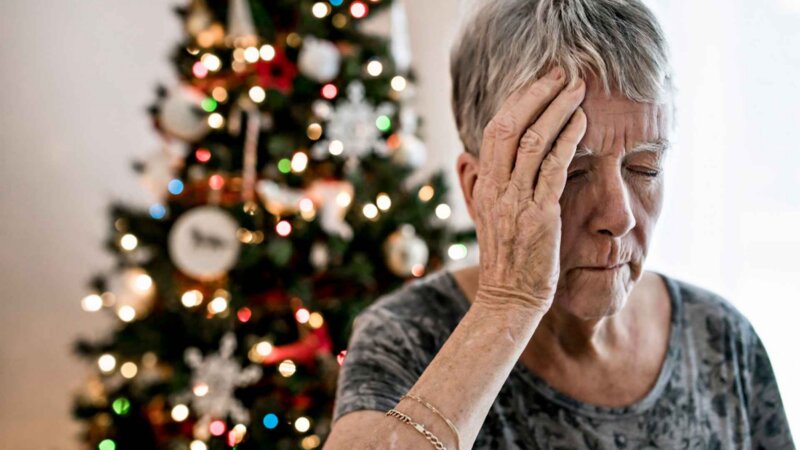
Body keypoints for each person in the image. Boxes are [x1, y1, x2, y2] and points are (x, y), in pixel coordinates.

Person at [323, 0, 796, 448]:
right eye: (569, 173)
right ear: (477, 189)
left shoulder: (720, 336)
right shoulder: (404, 337)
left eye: (644, 168)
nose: (619, 216)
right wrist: (508, 304)